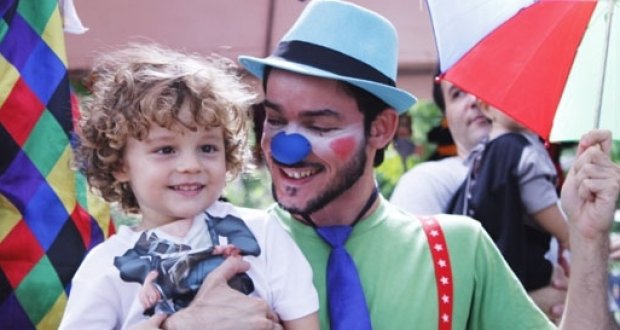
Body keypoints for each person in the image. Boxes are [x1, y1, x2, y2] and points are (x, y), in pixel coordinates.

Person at [160, 1, 620, 329]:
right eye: (275, 121)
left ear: (380, 129)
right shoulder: (218, 249)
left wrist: (588, 237)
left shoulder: (457, 249)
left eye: (319, 125)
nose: (285, 149)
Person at [59, 43, 318, 329]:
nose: (191, 165)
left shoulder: (263, 233)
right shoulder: (105, 266)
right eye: (166, 150)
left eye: (207, 147)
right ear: (121, 165)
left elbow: (304, 323)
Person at [446, 102, 571, 315]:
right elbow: (540, 202)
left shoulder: (481, 155)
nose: (529, 101)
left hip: (481, 263)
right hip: (519, 258)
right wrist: (567, 235)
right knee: (561, 290)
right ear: (486, 107)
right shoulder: (522, 150)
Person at [390, 71, 490, 214]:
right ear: (446, 115)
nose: (474, 99)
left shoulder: (530, 162)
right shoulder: (428, 181)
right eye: (457, 94)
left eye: (482, 87)